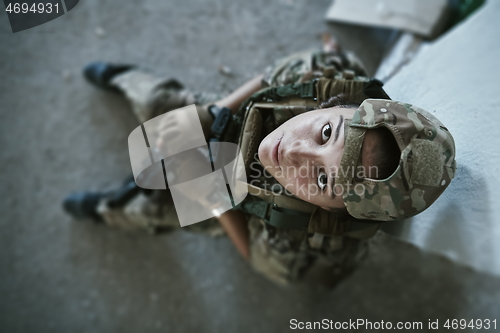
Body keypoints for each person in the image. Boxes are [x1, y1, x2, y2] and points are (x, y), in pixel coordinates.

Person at [63, 40, 456, 286]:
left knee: (150, 209)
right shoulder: (325, 76)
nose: (297, 154)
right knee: (160, 106)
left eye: (322, 180)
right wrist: (214, 112)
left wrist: (211, 195)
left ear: (332, 210)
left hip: (238, 207)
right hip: (237, 126)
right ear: (338, 104)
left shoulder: (311, 241)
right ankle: (124, 79)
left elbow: (255, 254)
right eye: (325, 135)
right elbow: (270, 76)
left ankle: (105, 209)